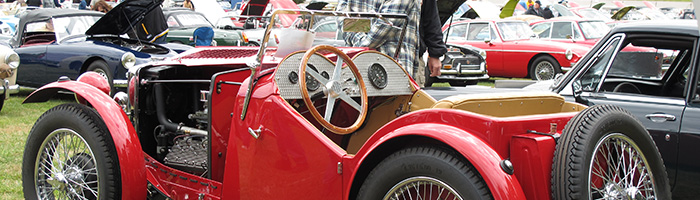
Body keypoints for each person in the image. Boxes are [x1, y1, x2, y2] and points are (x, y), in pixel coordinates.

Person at [336, 0, 442, 83]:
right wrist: (363, 44)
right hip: (362, 64)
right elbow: (342, 15)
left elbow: (389, 21)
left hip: (392, 65)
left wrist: (360, 45)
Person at [417, 0, 447, 87]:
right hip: (378, 52)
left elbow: (431, 18)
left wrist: (435, 55)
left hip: (413, 58)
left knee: (413, 98)